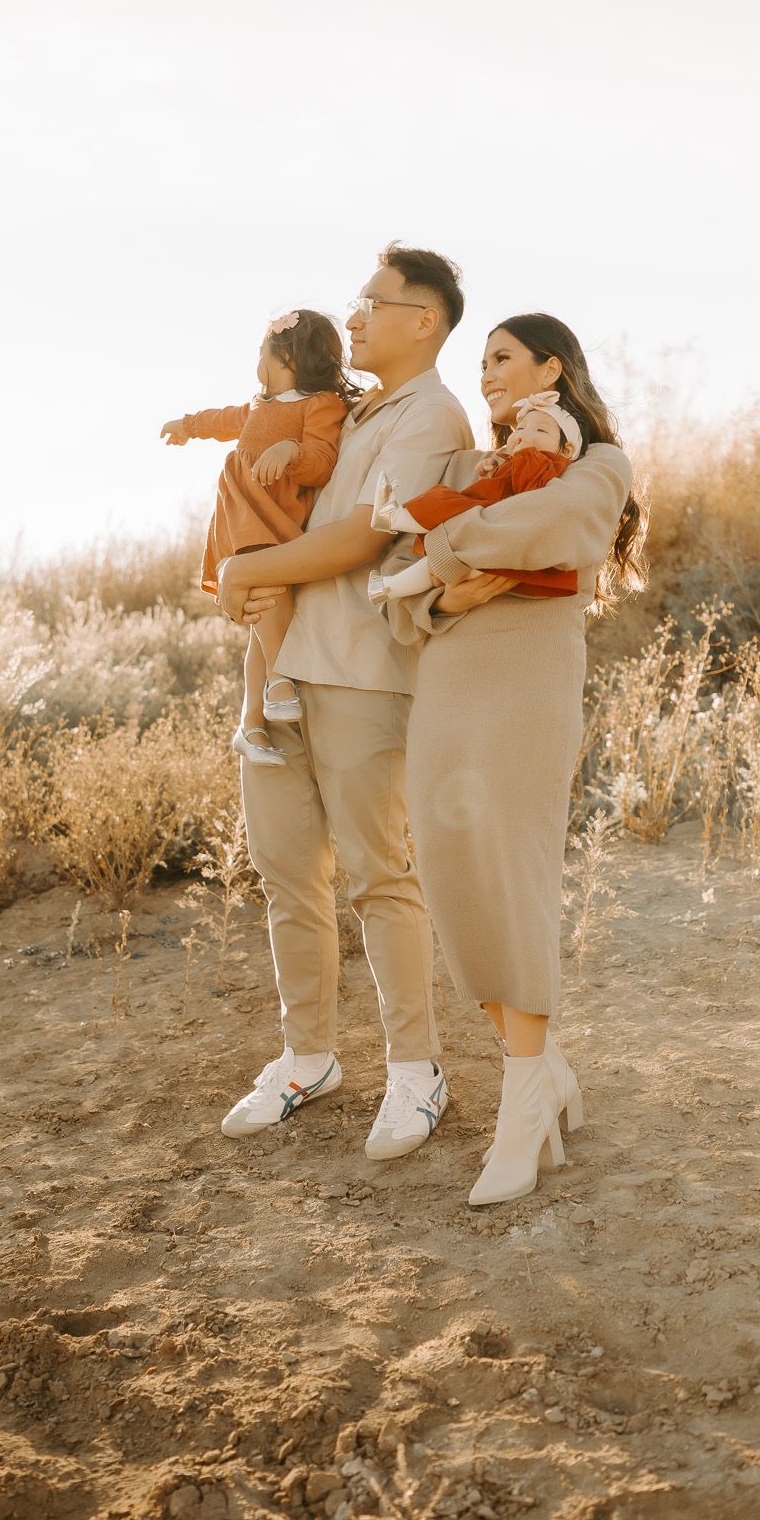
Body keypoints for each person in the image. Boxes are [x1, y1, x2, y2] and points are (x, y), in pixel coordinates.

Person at [379, 315, 647, 1205]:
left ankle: (523, 1098)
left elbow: (559, 531)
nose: (484, 375)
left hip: (528, 677)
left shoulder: (596, 462)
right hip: (450, 676)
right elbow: (400, 594)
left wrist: (446, 550)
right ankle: (544, 1069)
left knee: (510, 867)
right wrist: (447, 587)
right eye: (480, 361)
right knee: (454, 873)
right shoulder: (471, 470)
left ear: (551, 366)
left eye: (499, 358)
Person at [215, 244, 475, 1161]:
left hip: (361, 674)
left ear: (425, 321)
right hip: (279, 665)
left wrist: (244, 569)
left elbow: (368, 538)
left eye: (374, 303)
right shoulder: (344, 409)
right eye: (356, 304)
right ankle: (307, 1058)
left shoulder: (431, 415)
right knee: (287, 873)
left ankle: (416, 1072)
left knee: (374, 875)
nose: (354, 317)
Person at [160, 310, 352, 765]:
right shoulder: (257, 406)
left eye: (260, 351)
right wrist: (187, 426)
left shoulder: (320, 403)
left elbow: (323, 458)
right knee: (265, 591)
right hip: (242, 512)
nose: (256, 361)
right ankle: (282, 679)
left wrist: (290, 451)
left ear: (283, 355)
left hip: (278, 515)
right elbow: (223, 420)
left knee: (262, 620)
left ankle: (251, 724)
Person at [367, 389, 583, 605]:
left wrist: (519, 455)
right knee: (433, 563)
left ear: (567, 449)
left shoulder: (551, 464)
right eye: (522, 428)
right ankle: (386, 589)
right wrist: (495, 467)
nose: (524, 434)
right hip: (489, 545)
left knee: (444, 502)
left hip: (498, 544)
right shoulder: (528, 460)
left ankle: (394, 518)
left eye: (541, 430)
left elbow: (528, 488)